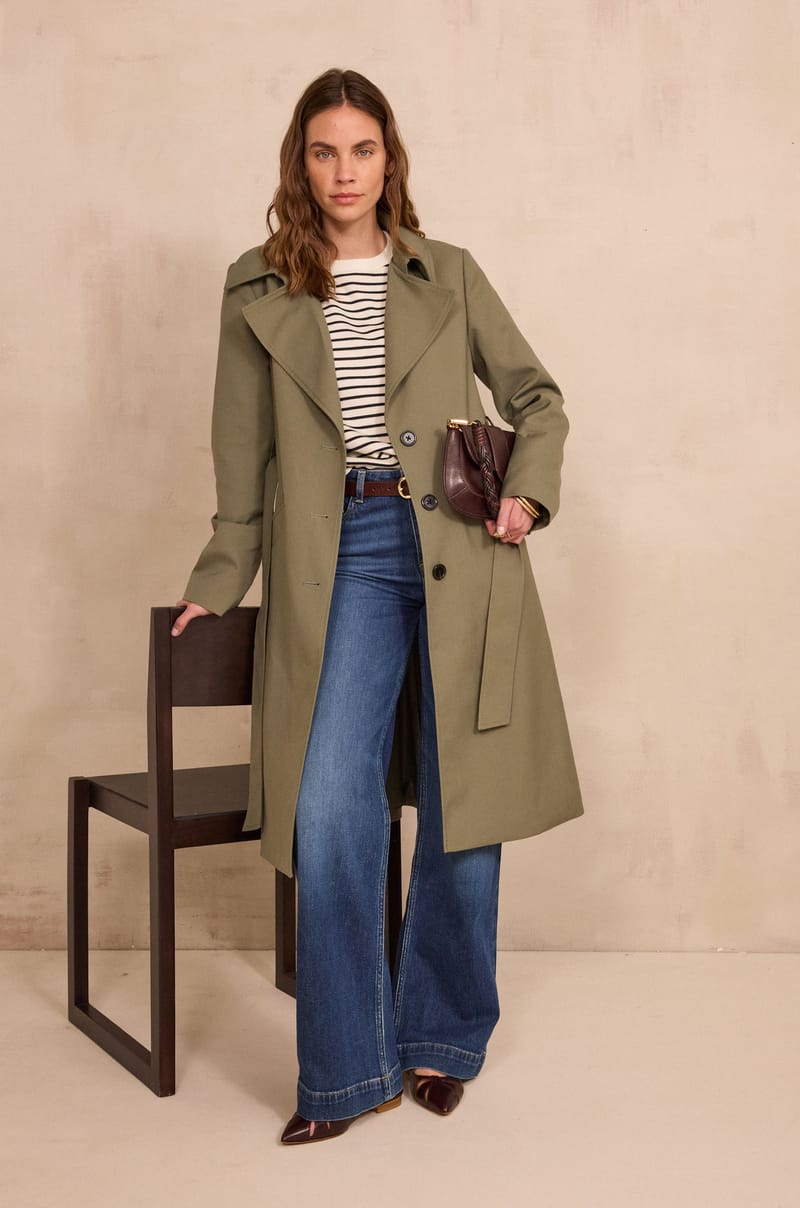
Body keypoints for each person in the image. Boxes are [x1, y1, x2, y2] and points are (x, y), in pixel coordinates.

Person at [173, 67, 583, 1145]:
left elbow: (536, 398)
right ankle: (349, 1070)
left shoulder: (448, 273)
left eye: (362, 150)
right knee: (328, 804)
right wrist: (215, 584)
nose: (344, 171)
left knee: (464, 797)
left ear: (389, 159)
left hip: (459, 545)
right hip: (338, 553)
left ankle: (441, 1038)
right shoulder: (257, 288)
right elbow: (240, 465)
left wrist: (527, 493)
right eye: (324, 151)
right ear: (299, 163)